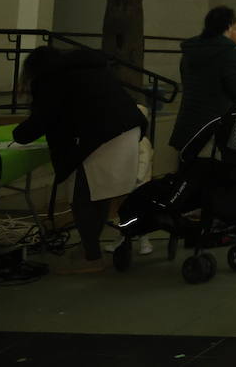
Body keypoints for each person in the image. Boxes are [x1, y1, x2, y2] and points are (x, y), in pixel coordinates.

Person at [14, 46, 145, 273]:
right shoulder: (92, 69)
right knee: (99, 194)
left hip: (101, 138)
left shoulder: (52, 80)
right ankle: (89, 249)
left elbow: (43, 118)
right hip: (128, 131)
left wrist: (18, 135)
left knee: (82, 198)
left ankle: (92, 258)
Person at [170, 6, 236, 153]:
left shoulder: (190, 50)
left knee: (189, 163)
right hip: (216, 124)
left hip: (188, 122)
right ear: (228, 26)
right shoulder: (229, 51)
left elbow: (185, 78)